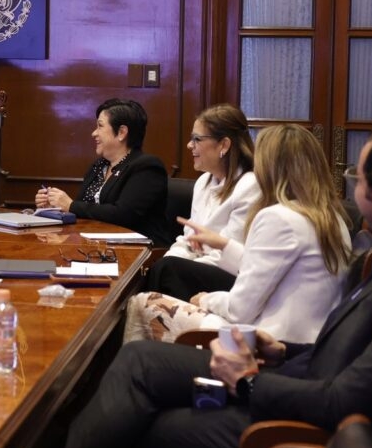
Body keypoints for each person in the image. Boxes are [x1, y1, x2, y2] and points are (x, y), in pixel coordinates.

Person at [61, 120, 372, 448]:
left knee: (145, 422)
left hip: (323, 430)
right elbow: (352, 353)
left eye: (357, 177)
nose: (351, 186)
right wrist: (283, 351)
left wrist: (248, 382)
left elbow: (345, 400)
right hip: (298, 376)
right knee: (139, 360)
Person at [125, 124, 350, 344]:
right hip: (313, 340)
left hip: (267, 344)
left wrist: (205, 299)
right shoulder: (332, 218)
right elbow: (266, 267)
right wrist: (224, 245)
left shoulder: (278, 217)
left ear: (269, 168)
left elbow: (239, 310)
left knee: (144, 304)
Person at [143, 103, 260, 299]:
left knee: (168, 270)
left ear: (224, 145)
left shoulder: (250, 186)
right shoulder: (203, 182)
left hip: (234, 277)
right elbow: (189, 240)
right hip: (198, 268)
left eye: (197, 139)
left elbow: (230, 253)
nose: (190, 145)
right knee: (158, 267)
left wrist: (178, 265)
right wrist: (170, 259)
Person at [36, 98, 172, 245]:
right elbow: (82, 209)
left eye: (100, 126)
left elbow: (123, 215)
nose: (94, 133)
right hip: (94, 244)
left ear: (121, 132)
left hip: (138, 249)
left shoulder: (147, 167)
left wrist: (70, 205)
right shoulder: (99, 165)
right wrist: (55, 207)